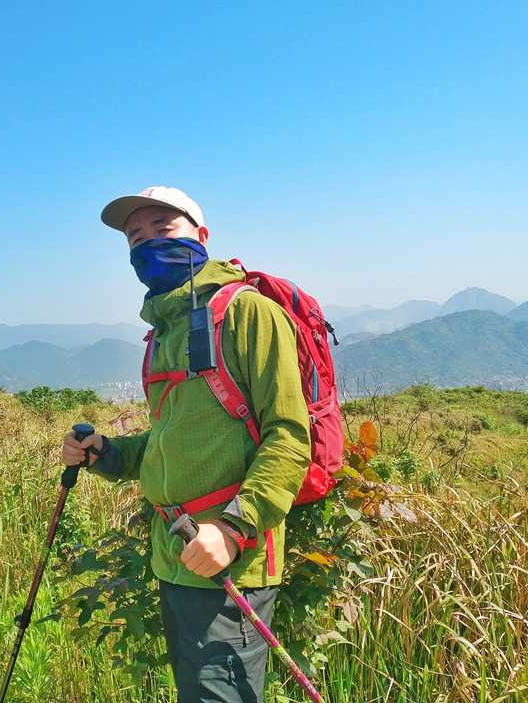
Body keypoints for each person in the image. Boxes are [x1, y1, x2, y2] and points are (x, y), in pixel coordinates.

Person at [60, 186, 311, 703]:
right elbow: (169, 438)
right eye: (136, 236)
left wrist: (233, 528)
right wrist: (106, 452)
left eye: (163, 229)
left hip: (230, 564)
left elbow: (289, 436)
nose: (148, 243)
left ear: (201, 236)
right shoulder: (162, 334)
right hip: (173, 556)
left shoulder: (249, 315)